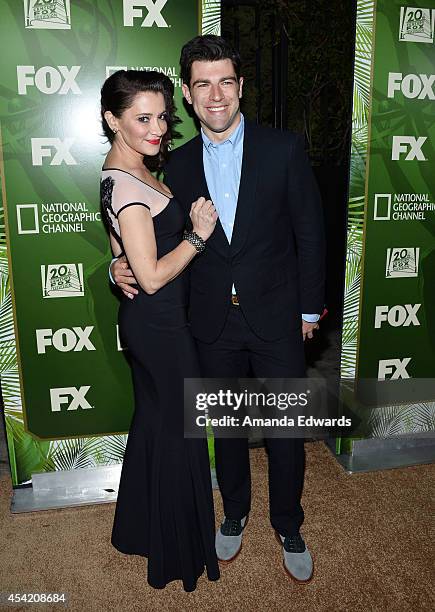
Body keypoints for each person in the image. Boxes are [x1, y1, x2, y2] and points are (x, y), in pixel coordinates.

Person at [112, 36, 326, 584]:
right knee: (226, 430)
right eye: (203, 83)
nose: (216, 95)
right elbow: (141, 232)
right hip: (208, 321)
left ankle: (289, 521)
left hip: (278, 316)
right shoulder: (172, 165)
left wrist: (309, 308)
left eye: (226, 81)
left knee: (285, 429)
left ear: (240, 87)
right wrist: (114, 268)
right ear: (187, 93)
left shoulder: (284, 148)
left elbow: (310, 231)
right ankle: (233, 513)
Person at [100, 69, 220, 592]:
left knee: (156, 425)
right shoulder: (127, 183)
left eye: (162, 116)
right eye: (142, 118)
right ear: (113, 120)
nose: (157, 128)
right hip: (161, 325)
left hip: (155, 325)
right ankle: (176, 551)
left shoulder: (126, 170)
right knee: (179, 433)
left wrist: (115, 265)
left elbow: (121, 251)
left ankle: (140, 529)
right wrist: (197, 235)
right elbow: (149, 277)